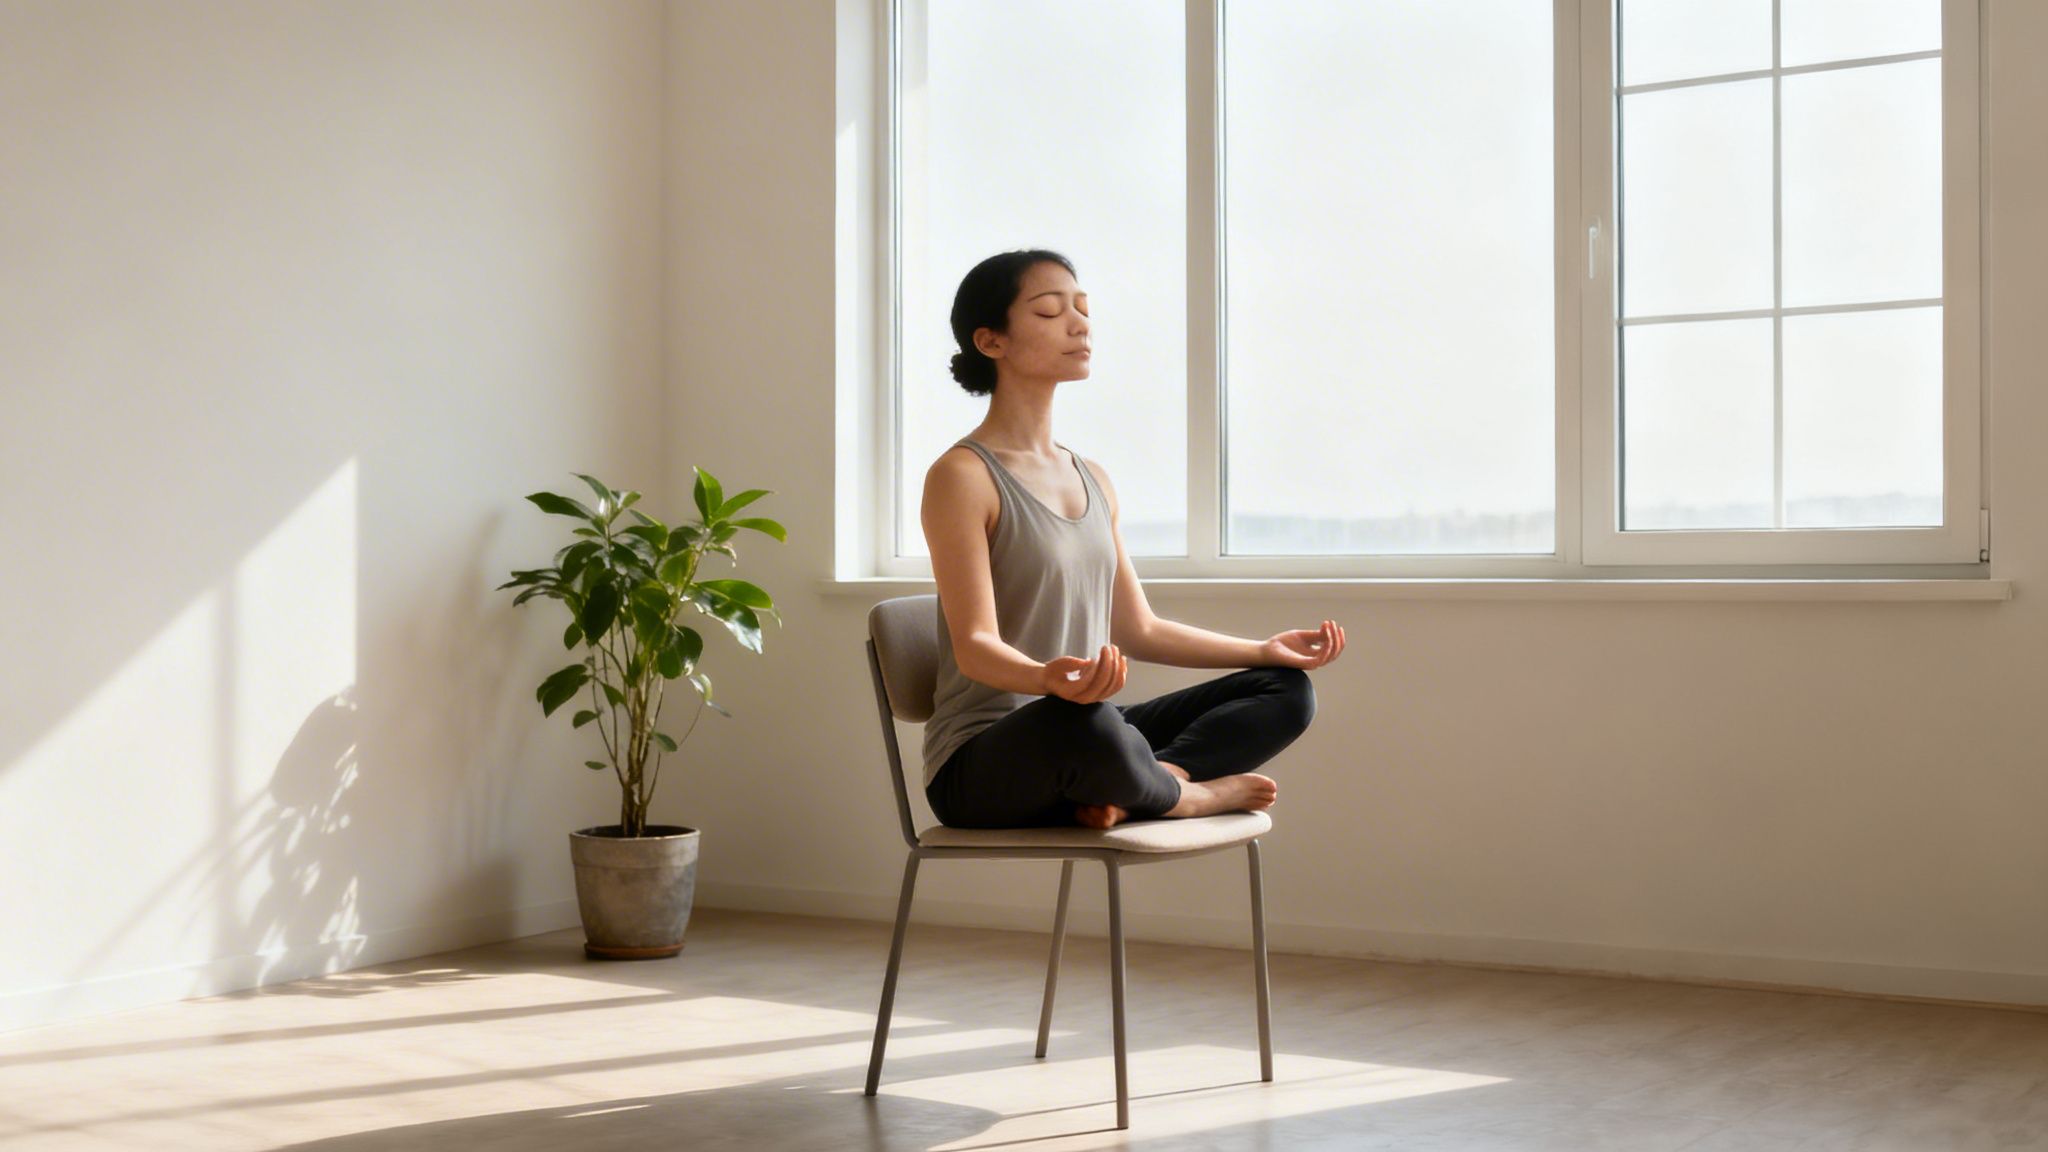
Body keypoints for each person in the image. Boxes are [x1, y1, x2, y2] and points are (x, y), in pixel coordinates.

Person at [920, 249, 1346, 831]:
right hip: (985, 761)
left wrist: (1262, 649)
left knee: (1285, 690)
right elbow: (974, 646)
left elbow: (1137, 629)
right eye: (1049, 312)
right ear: (991, 341)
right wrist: (1047, 679)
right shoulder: (962, 477)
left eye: (1082, 308)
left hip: (1085, 733)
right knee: (1088, 724)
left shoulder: (1092, 477)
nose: (1079, 324)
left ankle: (1143, 785)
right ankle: (1189, 796)